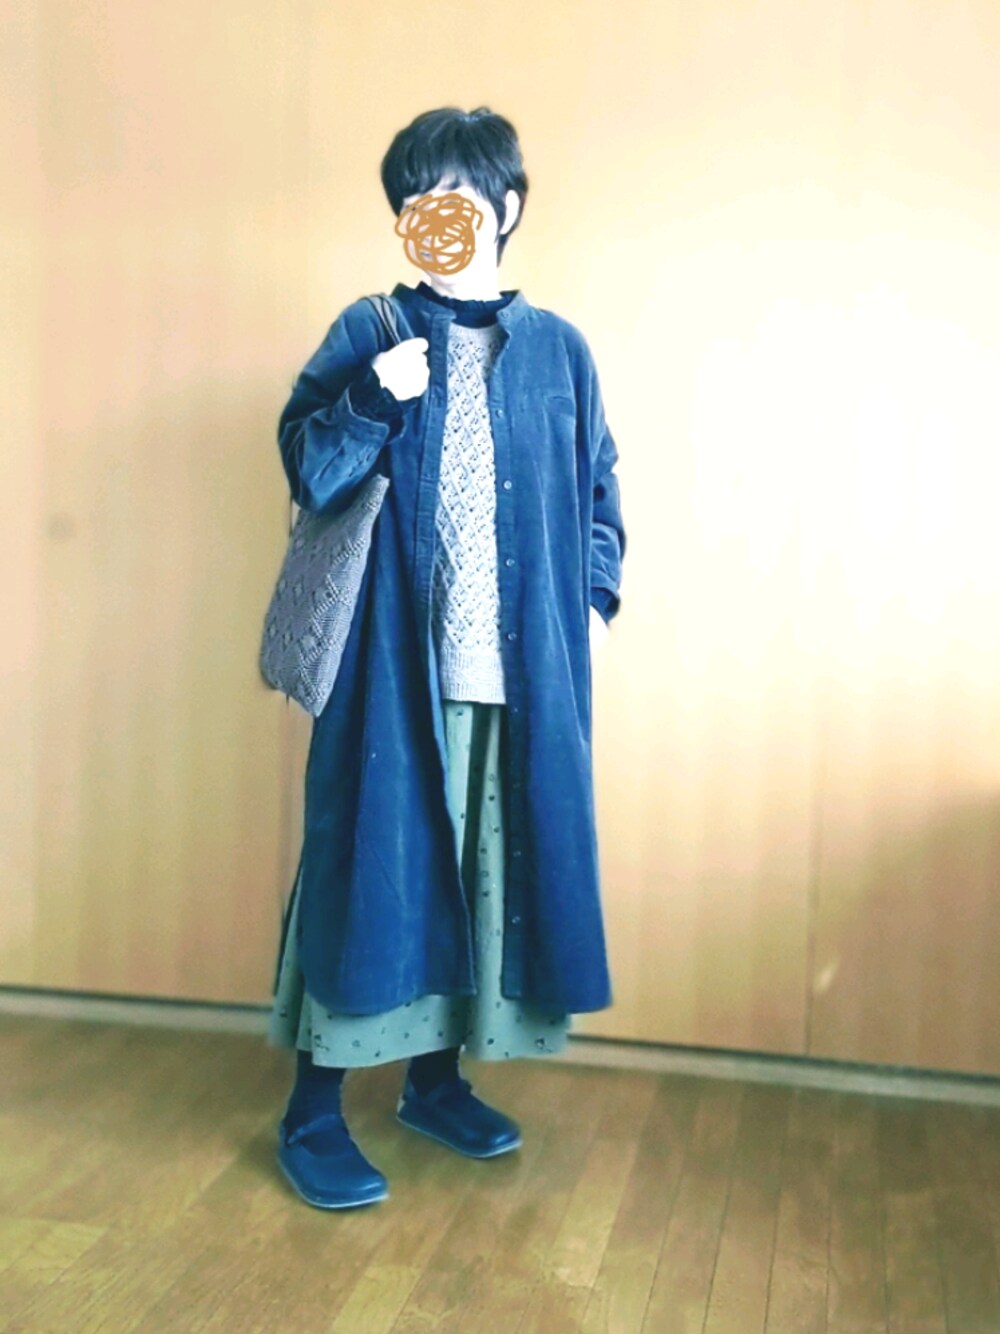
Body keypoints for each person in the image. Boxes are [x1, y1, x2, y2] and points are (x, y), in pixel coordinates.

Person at [267, 106, 626, 1209]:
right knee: (370, 870)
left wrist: (593, 601)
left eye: (462, 195)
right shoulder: (370, 328)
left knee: (482, 878)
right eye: (420, 199)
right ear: (401, 218)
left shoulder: (560, 350)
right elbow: (308, 471)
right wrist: (375, 396)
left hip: (522, 680)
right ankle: (312, 1113)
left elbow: (600, 489)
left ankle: (434, 1084)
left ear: (505, 208)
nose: (442, 215)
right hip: (391, 673)